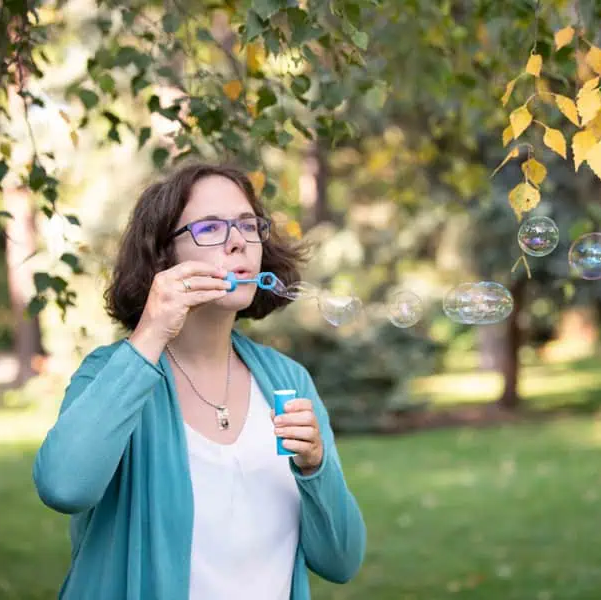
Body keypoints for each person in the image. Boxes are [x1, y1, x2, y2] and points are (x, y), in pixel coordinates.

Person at [32, 162, 366, 600]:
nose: (237, 243)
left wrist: (314, 468)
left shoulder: (287, 381)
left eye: (249, 226)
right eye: (210, 228)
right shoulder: (110, 373)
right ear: (163, 256)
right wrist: (151, 332)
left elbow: (341, 562)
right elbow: (63, 486)